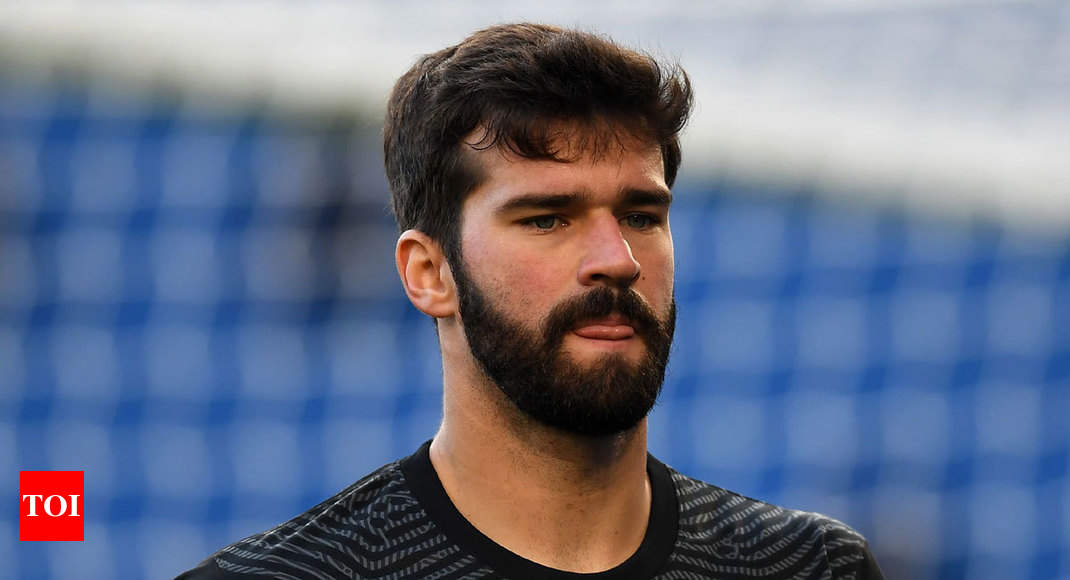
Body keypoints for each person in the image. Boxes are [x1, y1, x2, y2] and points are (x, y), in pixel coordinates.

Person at [177, 23, 884, 579]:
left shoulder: (810, 566)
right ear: (429, 272)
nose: (618, 261)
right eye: (547, 218)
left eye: (642, 215)